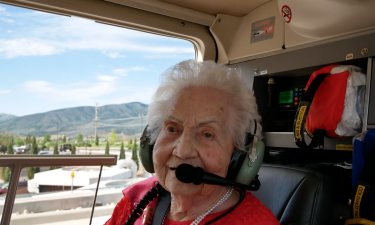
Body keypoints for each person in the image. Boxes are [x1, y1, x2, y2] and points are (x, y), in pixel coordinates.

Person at [105, 60, 279, 225]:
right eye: (172, 129)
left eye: (207, 134)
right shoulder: (137, 199)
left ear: (238, 155)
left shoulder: (257, 222)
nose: (182, 151)